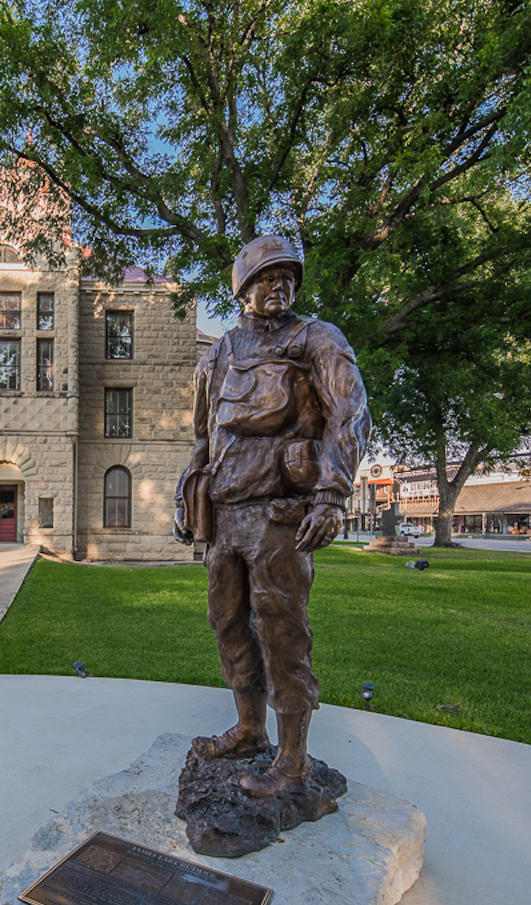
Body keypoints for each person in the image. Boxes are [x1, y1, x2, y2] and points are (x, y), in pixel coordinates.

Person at [174, 236, 371, 799]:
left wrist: (332, 493)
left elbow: (350, 414)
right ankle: (249, 730)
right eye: (266, 277)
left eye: (287, 277)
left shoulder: (317, 340)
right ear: (241, 289)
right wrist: (189, 495)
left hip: (280, 516)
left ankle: (293, 762)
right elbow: (203, 436)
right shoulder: (218, 353)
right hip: (225, 517)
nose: (278, 287)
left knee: (281, 632)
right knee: (229, 624)